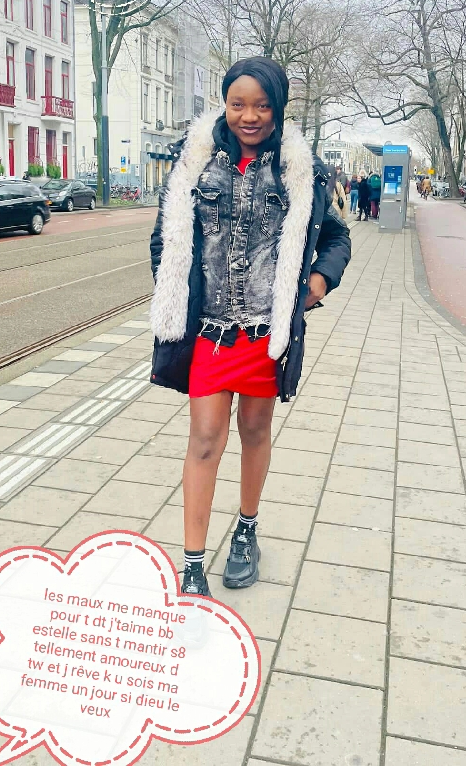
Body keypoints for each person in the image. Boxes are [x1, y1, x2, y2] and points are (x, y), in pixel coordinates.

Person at [149, 56, 351, 598]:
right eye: (238, 104)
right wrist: (174, 292)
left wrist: (317, 282)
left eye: (262, 105)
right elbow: (165, 237)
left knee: (255, 432)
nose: (250, 116)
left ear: (278, 108)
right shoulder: (195, 164)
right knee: (204, 440)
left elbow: (336, 237)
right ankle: (193, 564)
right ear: (225, 104)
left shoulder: (300, 171)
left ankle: (246, 530)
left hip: (265, 335)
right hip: (210, 333)